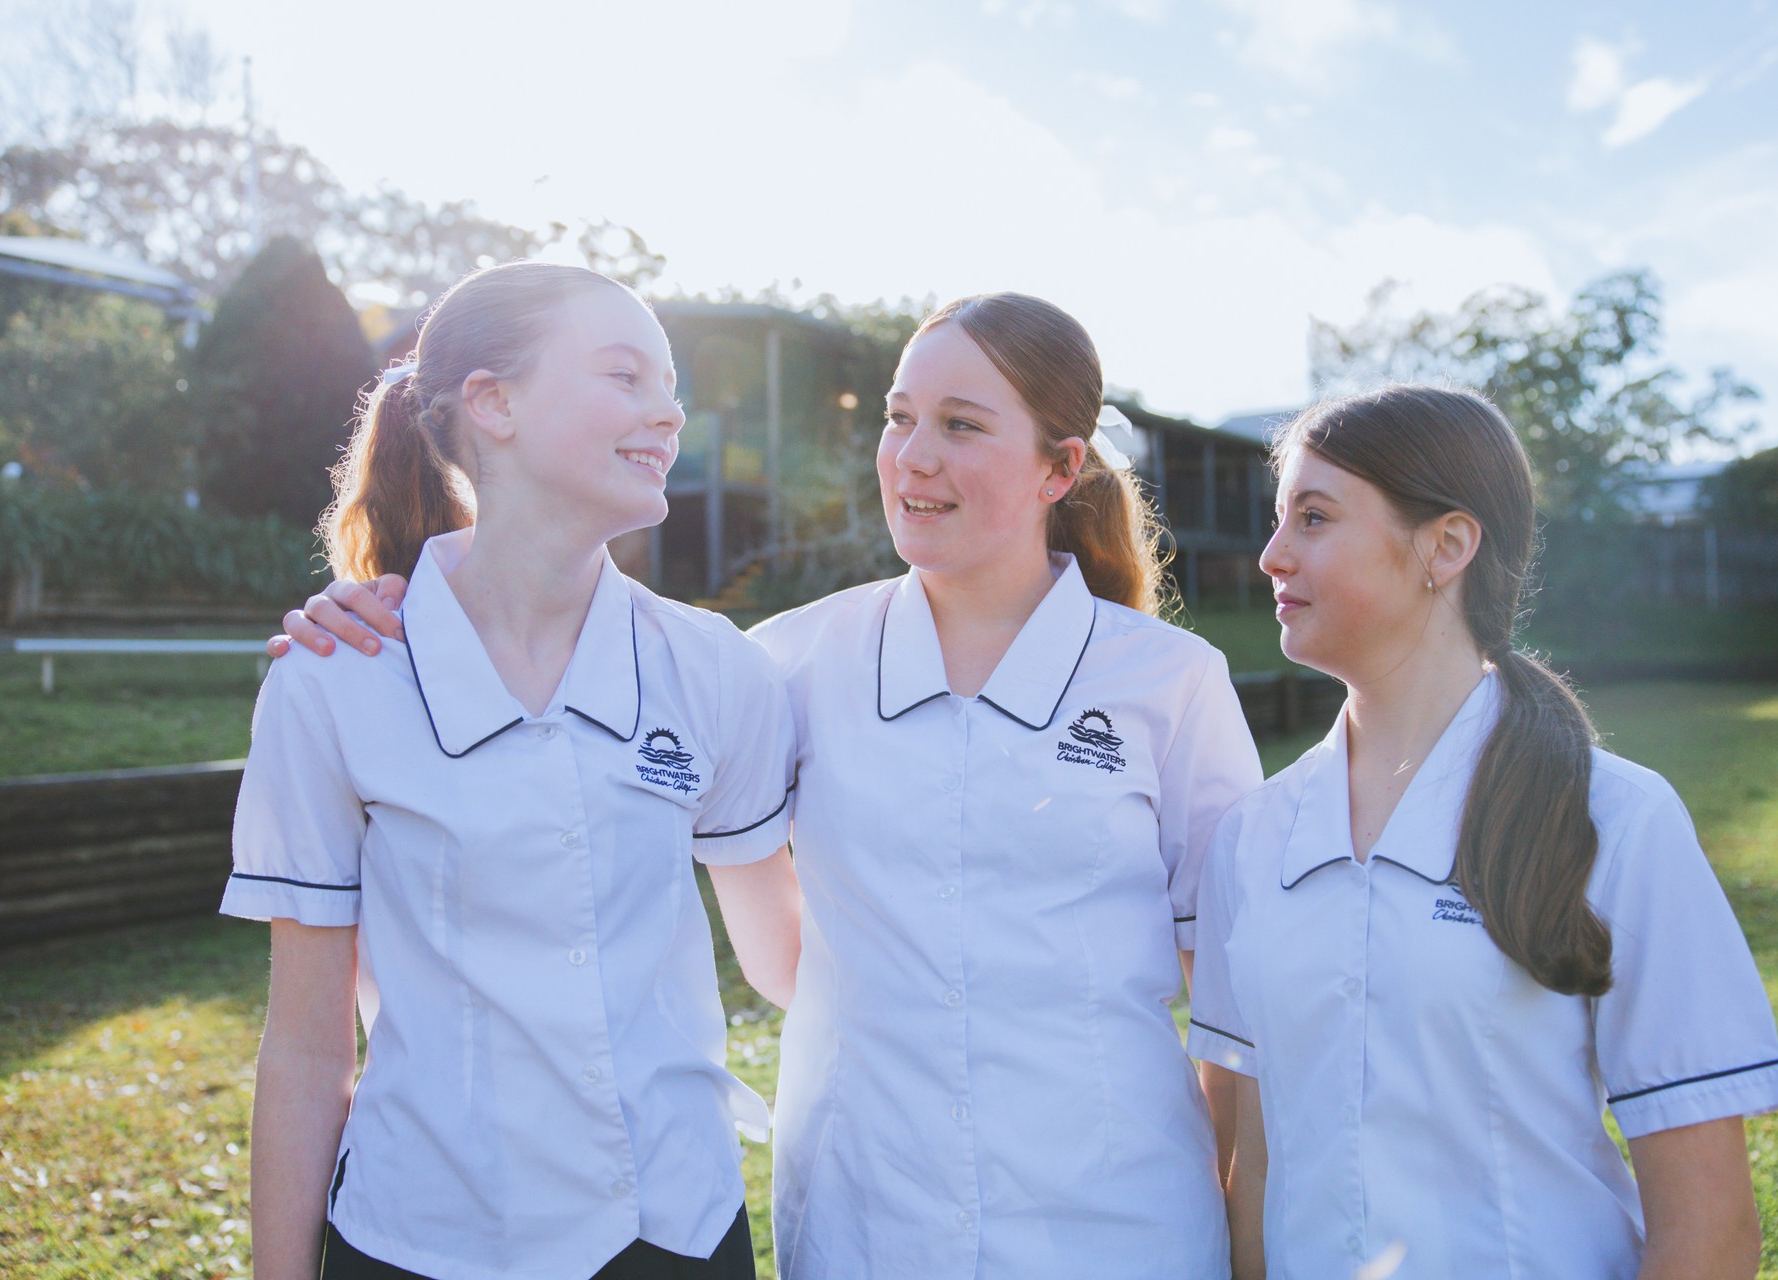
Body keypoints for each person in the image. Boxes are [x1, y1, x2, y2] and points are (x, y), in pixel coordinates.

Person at [275, 292, 1262, 1279]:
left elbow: (1232, 1003)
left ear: (1061, 466)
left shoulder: (1171, 683)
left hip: (1124, 1226)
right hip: (869, 1224)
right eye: (898, 415)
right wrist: (391, 605)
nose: (914, 454)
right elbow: (758, 940)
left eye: (960, 424)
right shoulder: (781, 663)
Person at [228, 262, 800, 1280]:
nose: (668, 413)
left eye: (669, 383)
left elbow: (789, 960)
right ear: (494, 402)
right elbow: (310, 1049)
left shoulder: (718, 670)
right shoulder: (334, 679)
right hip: (419, 1240)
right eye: (626, 375)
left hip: (674, 1234)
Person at [1185, 385, 1778, 1280]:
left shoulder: (1617, 820)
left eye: (1313, 519)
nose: (1271, 556)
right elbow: (1250, 1164)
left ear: (1446, 546)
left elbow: (1708, 1227)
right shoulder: (1250, 839)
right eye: (1279, 521)